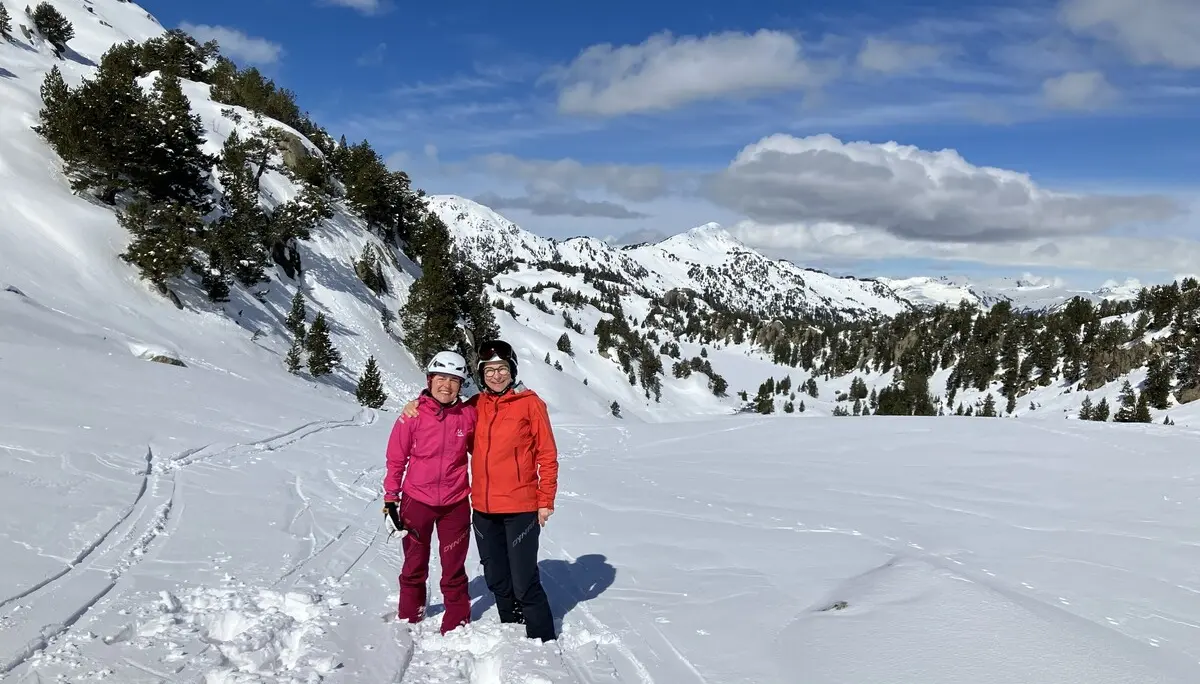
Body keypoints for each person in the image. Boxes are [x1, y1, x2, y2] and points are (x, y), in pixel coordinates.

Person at [401, 339, 560, 642]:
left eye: (502, 369)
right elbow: (444, 415)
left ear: (512, 370)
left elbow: (547, 454)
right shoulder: (475, 406)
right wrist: (415, 404)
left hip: (521, 506)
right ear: (481, 374)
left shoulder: (530, 404)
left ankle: (542, 639)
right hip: (484, 508)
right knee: (496, 576)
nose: (496, 375)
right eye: (489, 370)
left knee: (524, 578)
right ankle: (511, 627)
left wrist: (545, 500)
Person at [383, 350, 476, 635]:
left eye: (454, 380)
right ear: (429, 379)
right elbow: (396, 459)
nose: (446, 385)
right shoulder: (412, 416)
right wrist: (391, 499)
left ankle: (457, 620)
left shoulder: (469, 415)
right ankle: (410, 615)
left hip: (455, 503)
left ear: (461, 385)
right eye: (441, 378)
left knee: (454, 565)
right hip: (416, 501)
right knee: (414, 563)